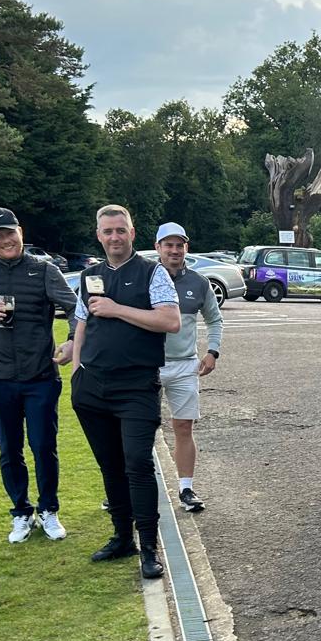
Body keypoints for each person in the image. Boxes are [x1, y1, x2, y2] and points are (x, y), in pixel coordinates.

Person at [0, 206, 78, 543]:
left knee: (43, 446)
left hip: (41, 376)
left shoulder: (44, 269)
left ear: (20, 232)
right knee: (9, 449)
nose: (6, 240)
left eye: (10, 233)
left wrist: (71, 341)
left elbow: (75, 308)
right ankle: (21, 512)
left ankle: (49, 509)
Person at [71, 205, 181, 578]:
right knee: (110, 465)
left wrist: (118, 309)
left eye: (121, 230)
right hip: (92, 387)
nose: (114, 237)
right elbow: (82, 324)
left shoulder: (152, 272)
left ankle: (148, 547)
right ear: (99, 235)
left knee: (137, 463)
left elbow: (170, 320)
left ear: (132, 233)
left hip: (136, 385)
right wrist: (76, 372)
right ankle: (122, 537)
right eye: (108, 231)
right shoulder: (89, 275)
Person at [155, 222, 223, 514]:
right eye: (168, 245)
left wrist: (212, 352)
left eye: (179, 245)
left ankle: (185, 488)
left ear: (186, 248)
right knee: (139, 429)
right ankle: (131, 487)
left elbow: (214, 319)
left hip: (185, 364)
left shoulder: (199, 282)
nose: (174, 250)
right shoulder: (147, 278)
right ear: (158, 248)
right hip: (148, 365)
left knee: (183, 426)